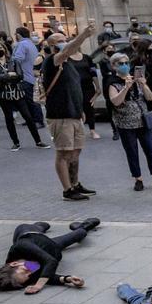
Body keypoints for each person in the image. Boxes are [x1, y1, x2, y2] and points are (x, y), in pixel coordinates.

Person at [42, 21, 97, 201]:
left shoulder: (68, 64)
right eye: (60, 40)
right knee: (64, 152)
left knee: (75, 151)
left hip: (74, 113)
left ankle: (75, 183)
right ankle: (67, 190)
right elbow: (66, 51)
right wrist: (83, 35)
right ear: (51, 46)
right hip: (60, 114)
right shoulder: (52, 61)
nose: (64, 43)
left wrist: (80, 109)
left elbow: (74, 87)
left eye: (65, 39)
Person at [0, 219, 99, 293]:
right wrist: (67, 279)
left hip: (31, 235)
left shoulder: (20, 247)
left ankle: (40, 226)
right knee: (80, 233)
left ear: (14, 263)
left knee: (35, 227)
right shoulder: (28, 273)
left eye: (24, 271)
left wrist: (38, 286)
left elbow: (50, 261)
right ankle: (84, 225)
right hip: (52, 246)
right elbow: (47, 276)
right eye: (27, 276)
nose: (30, 273)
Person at [107, 51, 152, 191]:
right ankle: (138, 179)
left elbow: (150, 97)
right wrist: (126, 87)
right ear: (114, 66)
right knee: (132, 152)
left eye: (126, 63)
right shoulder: (112, 83)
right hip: (125, 123)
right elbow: (115, 101)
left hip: (143, 121)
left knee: (150, 149)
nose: (124, 66)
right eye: (121, 64)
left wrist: (144, 85)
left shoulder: (136, 79)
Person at [0, 38, 47, 151]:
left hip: (18, 93)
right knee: (9, 118)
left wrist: (1, 75)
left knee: (28, 117)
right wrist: (9, 74)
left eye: (0, 47)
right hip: (3, 94)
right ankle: (16, 143)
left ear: (5, 49)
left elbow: (19, 76)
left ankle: (38, 141)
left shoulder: (13, 61)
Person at [130, 38, 152, 135]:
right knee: (148, 106)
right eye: (150, 45)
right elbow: (134, 70)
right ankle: (150, 124)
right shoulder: (138, 57)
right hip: (144, 83)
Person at [66, 43, 99, 140]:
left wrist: (97, 86)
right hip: (74, 88)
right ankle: (77, 131)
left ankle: (92, 130)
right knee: (76, 108)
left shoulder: (86, 57)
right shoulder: (67, 59)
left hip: (88, 87)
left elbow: (93, 72)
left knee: (89, 108)